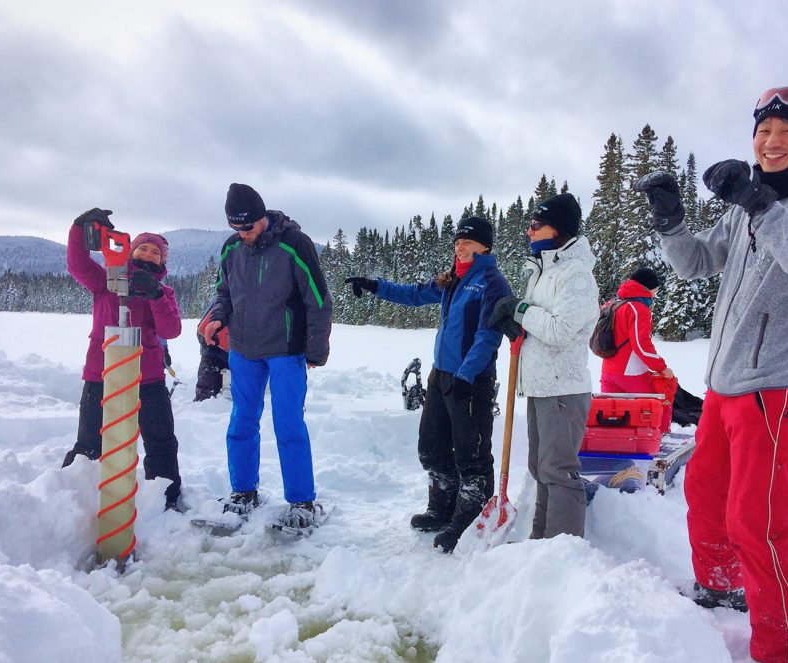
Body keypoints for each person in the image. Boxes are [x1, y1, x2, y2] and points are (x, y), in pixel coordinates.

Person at [634, 87, 788, 663]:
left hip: (778, 390)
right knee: (706, 499)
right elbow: (694, 264)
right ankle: (722, 588)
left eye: (786, 132)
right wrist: (671, 220)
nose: (771, 142)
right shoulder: (744, 207)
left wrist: (764, 207)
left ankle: (787, 650)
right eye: (763, 132)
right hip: (724, 389)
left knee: (757, 522)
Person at [343, 216, 512, 553]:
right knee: (431, 447)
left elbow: (488, 336)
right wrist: (375, 285)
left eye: (467, 242)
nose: (460, 247)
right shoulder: (452, 280)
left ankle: (468, 521)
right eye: (457, 242)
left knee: (472, 455)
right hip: (441, 376)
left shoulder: (492, 282)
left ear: (485, 246)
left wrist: (467, 374)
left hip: (472, 380)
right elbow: (415, 294)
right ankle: (442, 508)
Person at [203, 184, 332, 529]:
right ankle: (244, 492)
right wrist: (217, 315)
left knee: (288, 423)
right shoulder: (231, 248)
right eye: (236, 229)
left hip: (286, 350)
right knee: (242, 421)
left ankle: (302, 501)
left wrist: (316, 350)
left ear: (261, 217)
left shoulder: (293, 245)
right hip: (244, 351)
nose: (242, 234)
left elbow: (318, 301)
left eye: (247, 227)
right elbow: (224, 293)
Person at [488, 193, 599, 539]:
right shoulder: (544, 270)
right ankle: (540, 547)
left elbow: (560, 330)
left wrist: (520, 310)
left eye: (537, 225)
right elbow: (538, 322)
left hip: (563, 389)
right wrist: (516, 319)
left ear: (559, 230)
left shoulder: (576, 274)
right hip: (541, 386)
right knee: (541, 469)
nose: (529, 231)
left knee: (558, 472)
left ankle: (562, 552)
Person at [63, 209, 185, 512]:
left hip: (148, 377)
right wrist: (80, 228)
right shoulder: (108, 279)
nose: (148, 253)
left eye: (155, 251)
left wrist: (155, 295)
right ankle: (72, 499)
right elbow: (77, 264)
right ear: (131, 251)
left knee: (160, 442)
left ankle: (166, 498)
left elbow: (171, 330)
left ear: (162, 261)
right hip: (102, 373)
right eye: (143, 247)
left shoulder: (164, 291)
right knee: (90, 440)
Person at [599, 267, 675, 433]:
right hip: (630, 372)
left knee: (614, 415)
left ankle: (617, 445)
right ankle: (660, 440)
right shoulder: (638, 308)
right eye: (655, 289)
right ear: (648, 287)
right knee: (661, 401)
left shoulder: (612, 304)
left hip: (608, 371)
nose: (656, 293)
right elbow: (642, 345)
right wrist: (661, 367)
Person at [194, 296, 230, 401]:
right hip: (213, 356)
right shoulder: (221, 301)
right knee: (205, 398)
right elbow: (201, 332)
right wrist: (212, 339)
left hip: (240, 357)